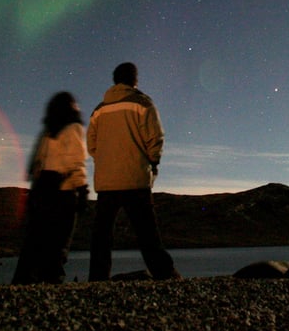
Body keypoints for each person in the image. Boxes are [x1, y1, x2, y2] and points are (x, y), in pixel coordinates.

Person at [88, 62, 178, 281]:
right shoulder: (142, 103)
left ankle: (97, 279)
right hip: (135, 178)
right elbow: (155, 138)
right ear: (134, 80)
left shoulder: (99, 110)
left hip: (106, 182)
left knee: (102, 236)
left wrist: (106, 161)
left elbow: (91, 145)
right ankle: (165, 276)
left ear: (115, 80)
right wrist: (152, 163)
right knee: (147, 234)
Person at [12, 91, 89, 284]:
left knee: (36, 237)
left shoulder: (47, 131)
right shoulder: (73, 128)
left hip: (41, 187)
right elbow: (75, 160)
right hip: (63, 188)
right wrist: (82, 189)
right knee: (60, 238)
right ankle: (53, 279)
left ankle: (24, 281)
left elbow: (35, 163)